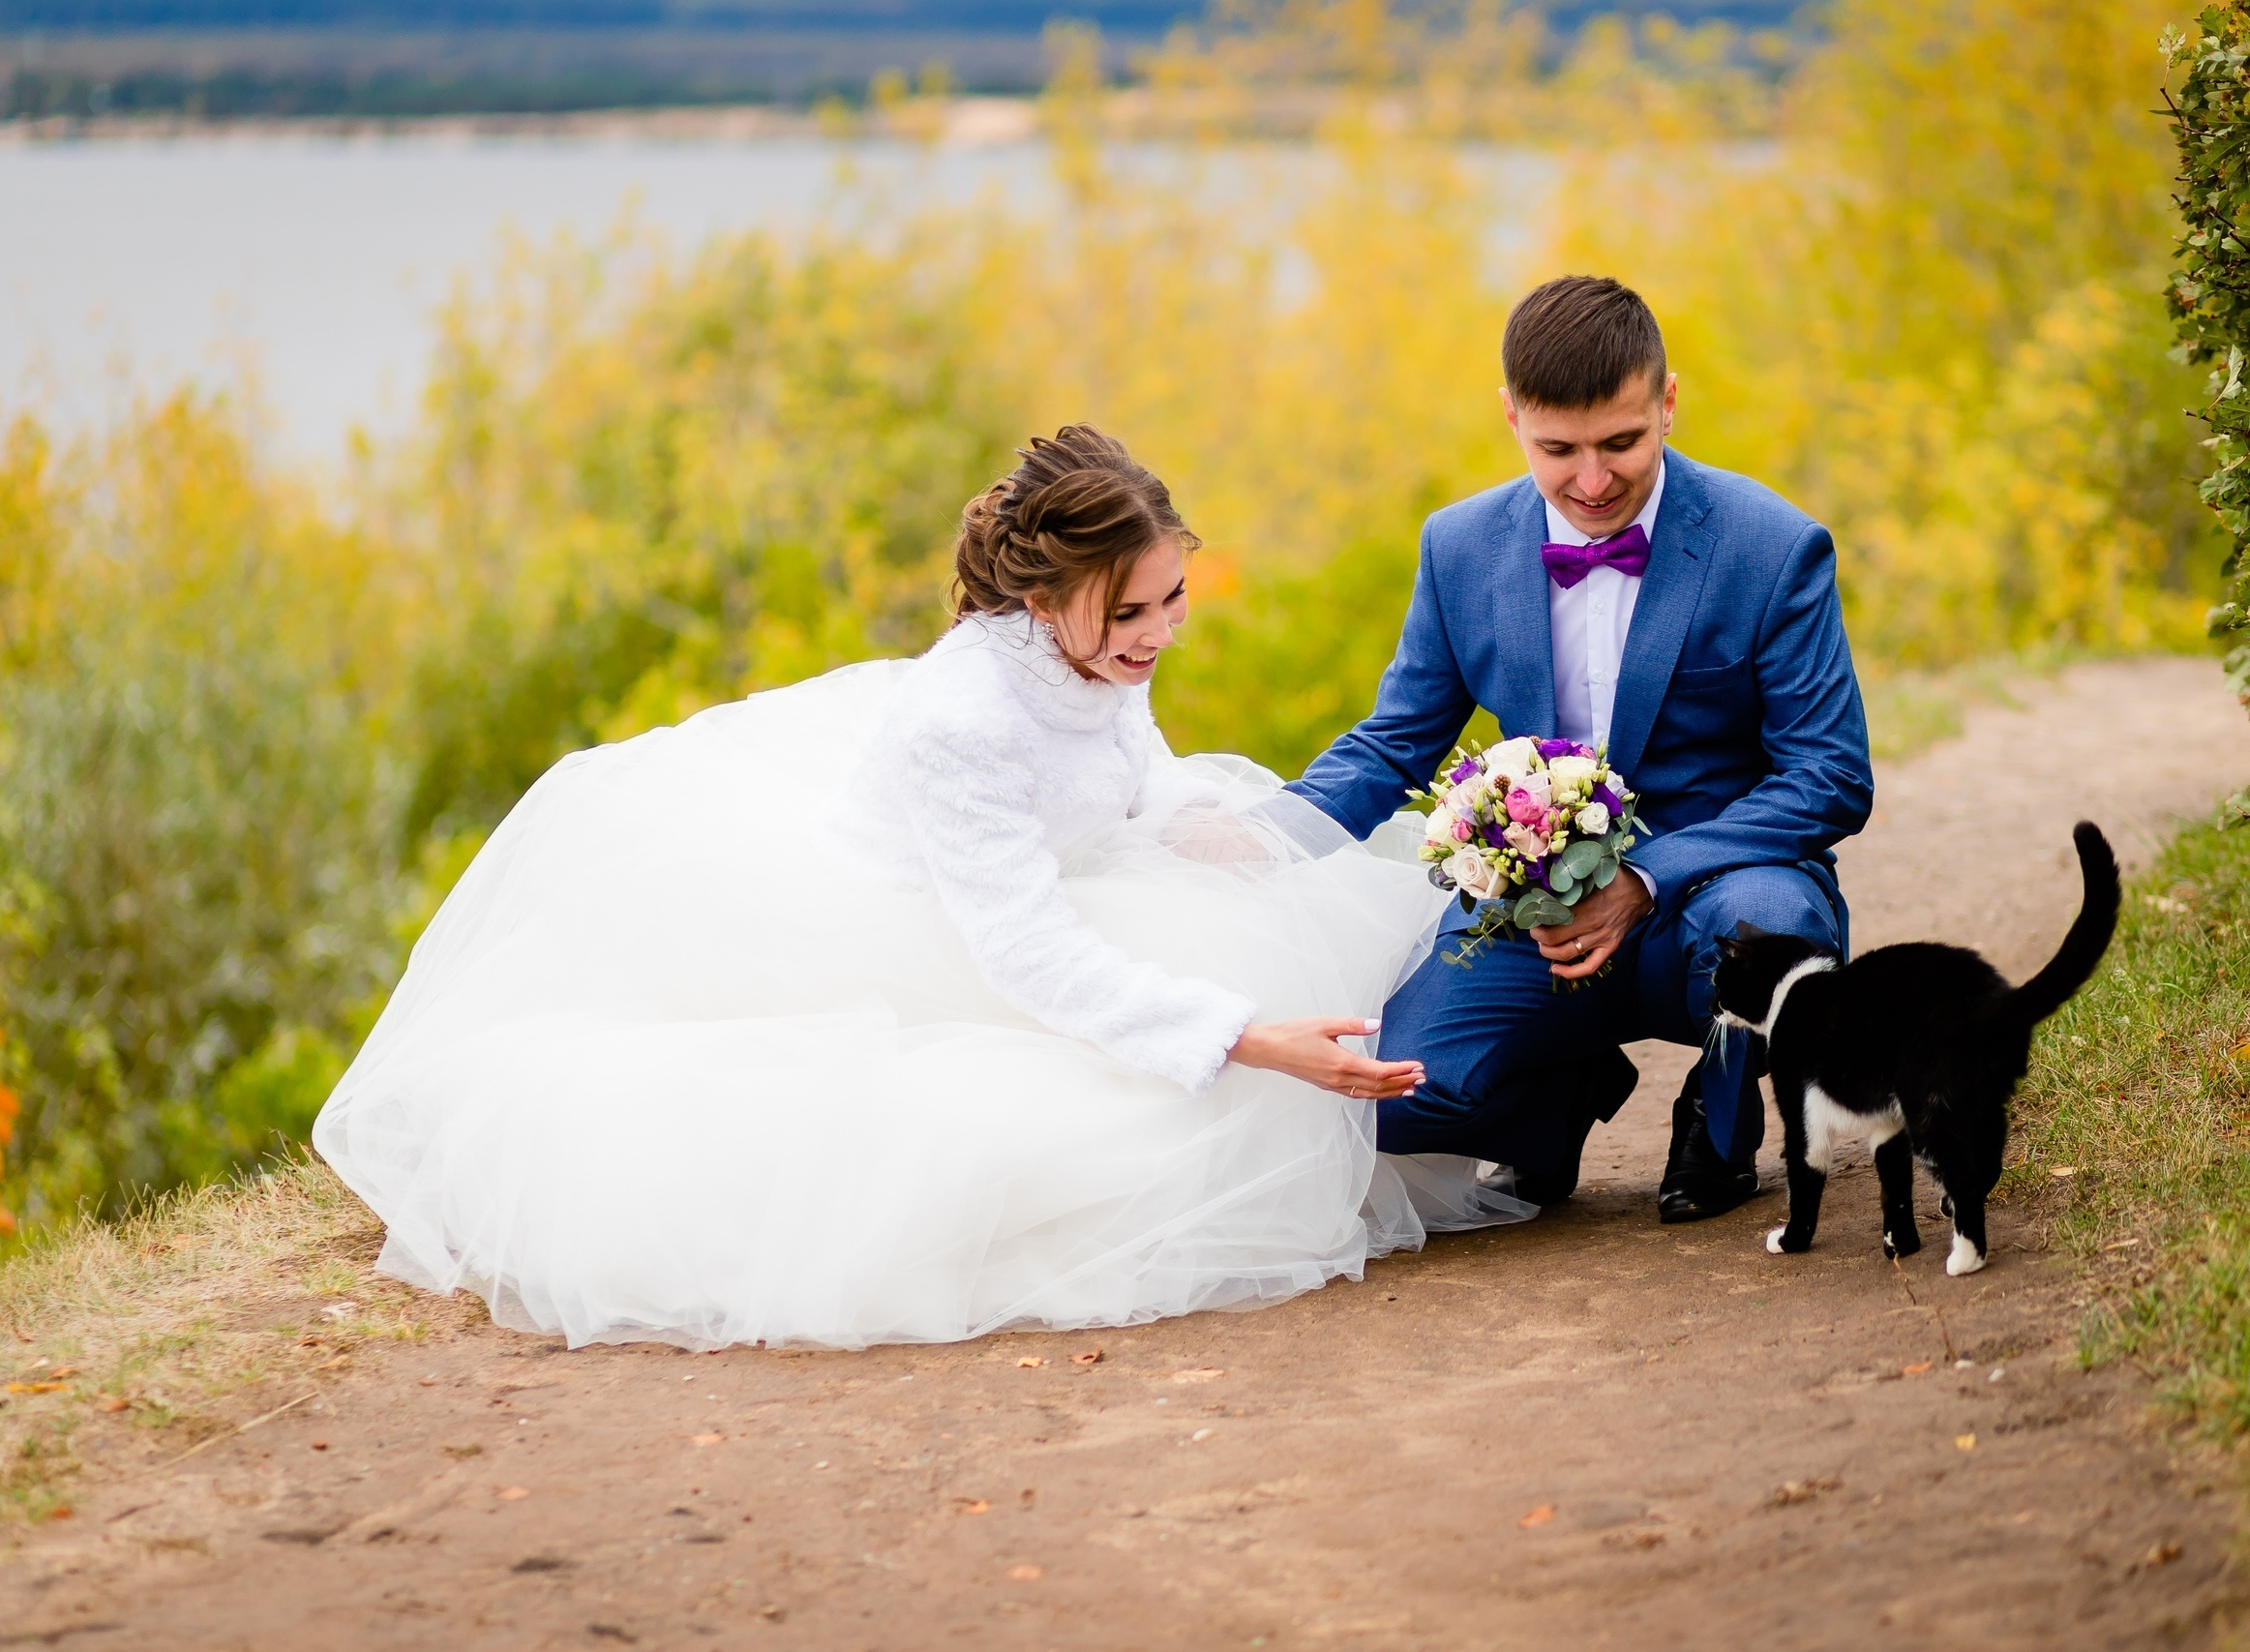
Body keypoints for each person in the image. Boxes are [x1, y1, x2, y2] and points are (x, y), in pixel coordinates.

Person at [313, 426, 1522, 1352]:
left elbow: (1127, 758)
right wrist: (1242, 1038)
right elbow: (1028, 951)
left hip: (1060, 877)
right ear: (1041, 601)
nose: (1160, 632)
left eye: (1172, 598)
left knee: (1302, 925)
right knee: (1113, 1135)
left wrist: (1189, 830)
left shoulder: (1099, 639)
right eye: (1130, 611)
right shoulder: (964, 721)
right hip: (931, 935)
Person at [1289, 276, 1874, 1218]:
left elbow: (1831, 776)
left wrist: (1642, 879)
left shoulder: (1770, 545)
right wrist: (1267, 833)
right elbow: (1394, 742)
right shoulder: (1458, 547)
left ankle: (1719, 1123)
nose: (1593, 482)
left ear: (1667, 403)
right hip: (1538, 918)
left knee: (1774, 931)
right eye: (1558, 450)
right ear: (1511, 417)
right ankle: (1556, 1100)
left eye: (1621, 443)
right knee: (1387, 1095)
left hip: (1720, 893)